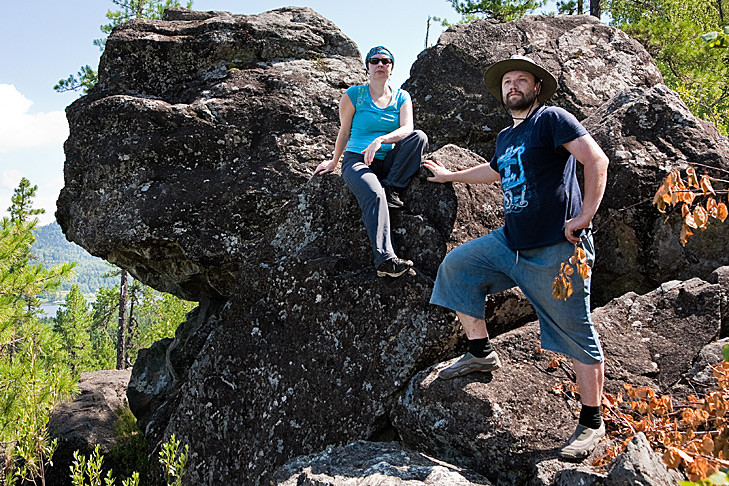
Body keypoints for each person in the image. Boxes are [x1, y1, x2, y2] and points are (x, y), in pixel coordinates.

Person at [424, 55, 609, 460]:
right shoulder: (507, 137)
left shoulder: (552, 119)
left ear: (536, 87)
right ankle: (480, 354)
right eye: (507, 81)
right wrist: (450, 176)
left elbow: (596, 159)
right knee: (457, 268)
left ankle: (592, 421)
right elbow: (493, 172)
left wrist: (585, 216)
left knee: (577, 334)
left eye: (521, 80)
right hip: (510, 243)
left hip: (556, 250)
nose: (513, 86)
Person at [314, 46, 428, 278]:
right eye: (374, 61)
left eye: (385, 61)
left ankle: (392, 187)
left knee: (419, 137)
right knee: (374, 195)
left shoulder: (401, 96)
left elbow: (408, 129)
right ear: (367, 66)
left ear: (392, 68)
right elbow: (344, 131)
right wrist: (334, 162)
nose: (380, 65)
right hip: (358, 160)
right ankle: (386, 260)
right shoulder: (354, 95)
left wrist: (381, 139)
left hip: (388, 161)